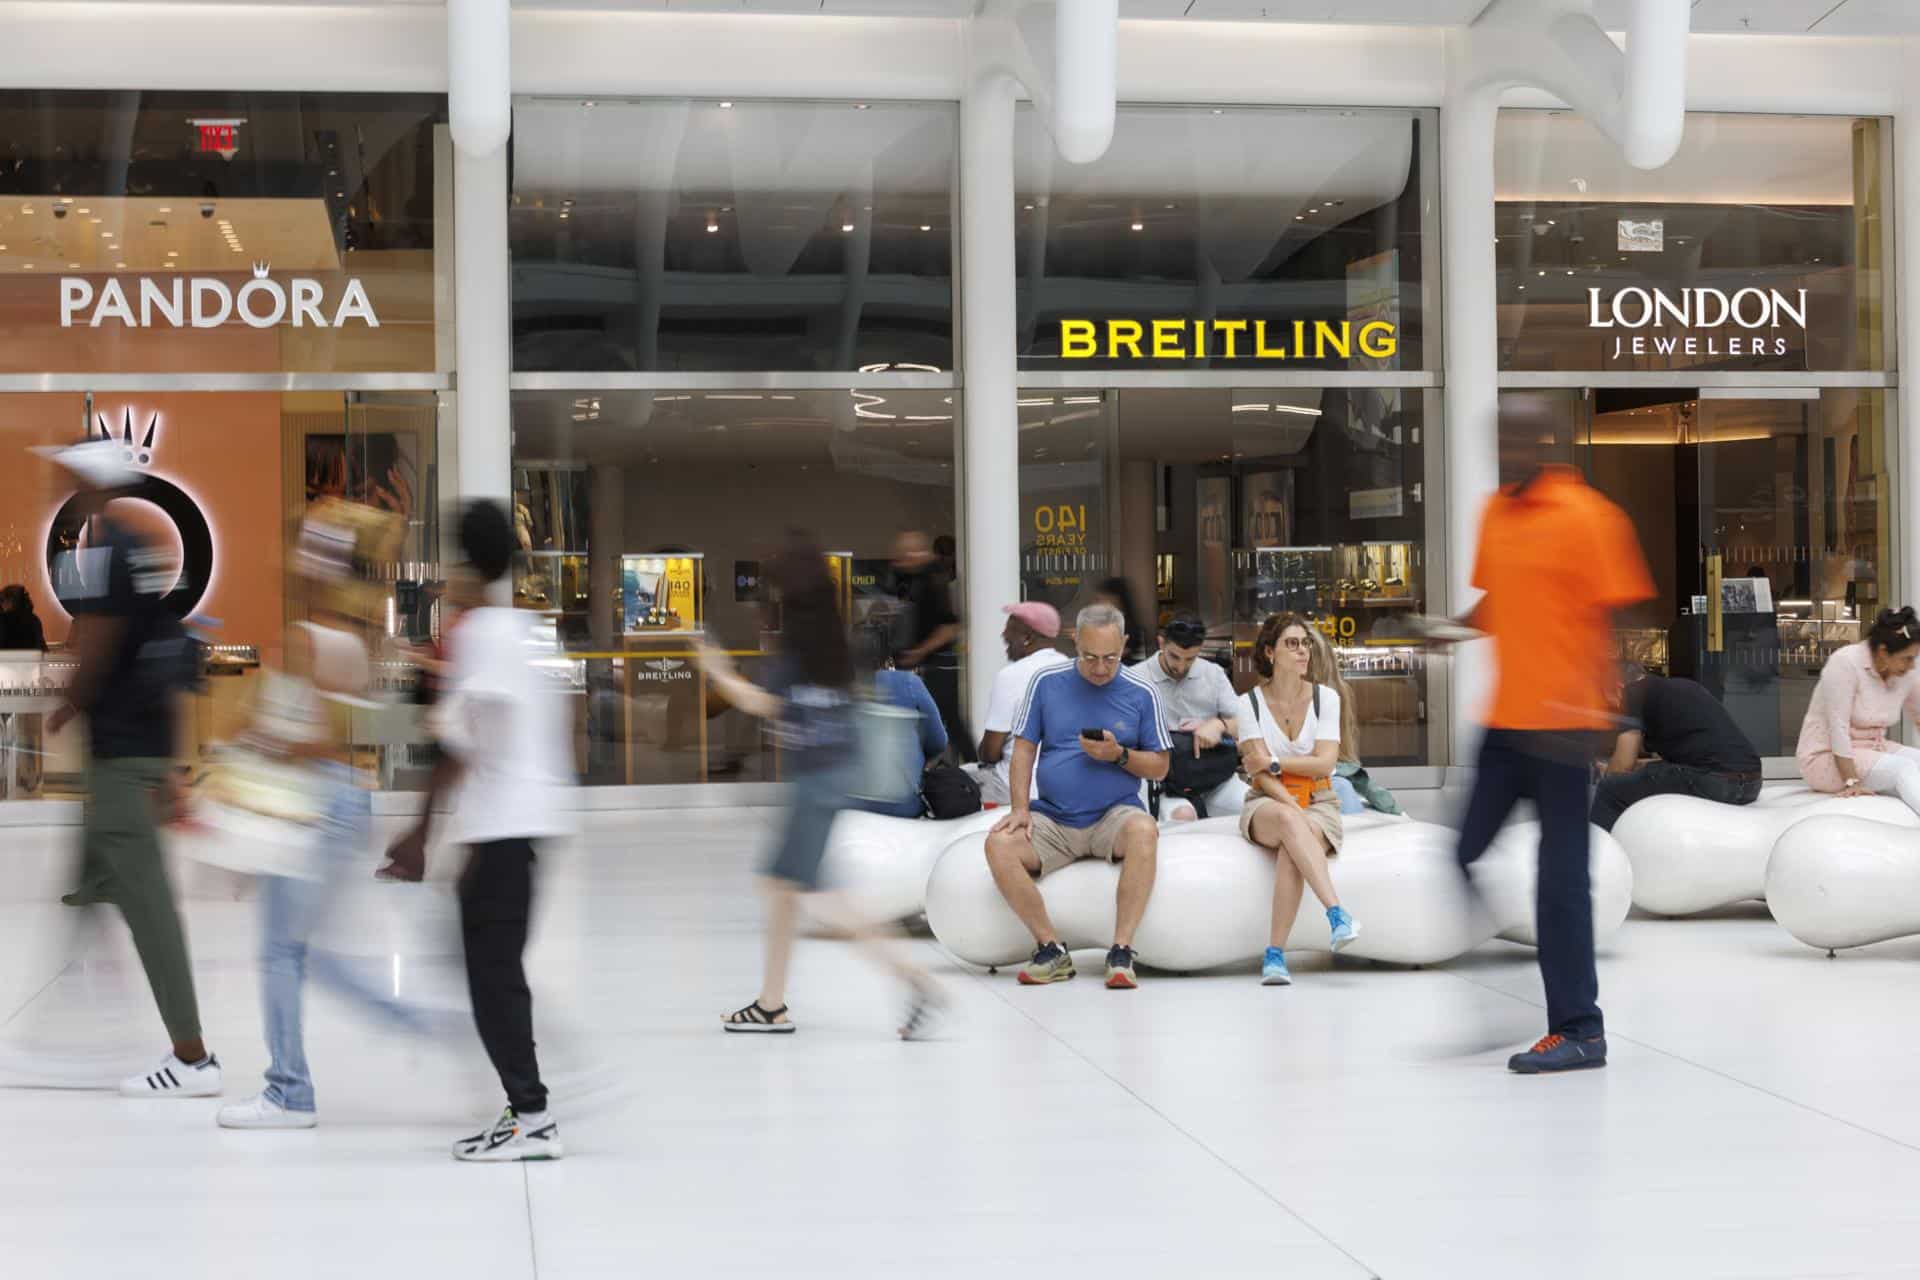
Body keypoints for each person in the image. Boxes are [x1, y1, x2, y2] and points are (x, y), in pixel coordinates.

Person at [216, 500, 444, 1130]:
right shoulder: (356, 641)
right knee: (308, 953)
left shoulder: (300, 639)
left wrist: (249, 753)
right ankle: (416, 1022)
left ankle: (289, 1091)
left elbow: (310, 738)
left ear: (313, 567)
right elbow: (334, 734)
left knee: (284, 953)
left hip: (310, 803)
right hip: (346, 799)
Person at [1449, 402, 1654, 1074]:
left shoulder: (1589, 516)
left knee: (1559, 886)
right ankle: (1511, 985)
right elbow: (1500, 600)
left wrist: (1605, 710)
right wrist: (1447, 629)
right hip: (1506, 725)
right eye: (1496, 437)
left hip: (1565, 729)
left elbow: (1623, 615)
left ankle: (1579, 1029)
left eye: (1514, 437)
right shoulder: (1495, 514)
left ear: (1542, 439)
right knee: (1464, 850)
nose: (1505, 449)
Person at [696, 533, 945, 1038]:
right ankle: (772, 1002)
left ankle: (913, 979)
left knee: (814, 895)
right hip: (834, 777)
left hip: (812, 785)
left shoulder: (793, 655)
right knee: (789, 889)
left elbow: (758, 704)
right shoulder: (839, 649)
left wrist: (714, 666)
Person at [31, 438, 221, 1097]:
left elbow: (104, 641)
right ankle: (68, 1035)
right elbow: (154, 644)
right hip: (133, 749)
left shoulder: (108, 547)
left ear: (92, 482)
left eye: (69, 473)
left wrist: (67, 705)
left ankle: (192, 1058)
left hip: (119, 757)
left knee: (146, 903)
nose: (58, 481)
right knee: (86, 891)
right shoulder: (136, 546)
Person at [434, 499, 575, 1162]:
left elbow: (462, 735)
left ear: (465, 560)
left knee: (492, 975)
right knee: (496, 968)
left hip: (502, 825)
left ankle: (532, 1113)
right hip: (534, 820)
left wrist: (421, 833)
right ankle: (528, 1106)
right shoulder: (530, 629)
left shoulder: (480, 632)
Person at [982, 603, 1170, 989]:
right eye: (1090, 657)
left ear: (1125, 645)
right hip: (1053, 816)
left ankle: (1121, 951)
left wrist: (1118, 756)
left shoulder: (1142, 692)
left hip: (1113, 816)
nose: (1100, 668)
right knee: (999, 845)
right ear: (1074, 643)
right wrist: (1019, 809)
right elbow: (1023, 749)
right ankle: (1050, 948)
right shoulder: (1045, 682)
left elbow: (1161, 767)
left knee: (1144, 830)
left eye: (1110, 658)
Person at [1233, 614, 1360, 986]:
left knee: (1293, 847)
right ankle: (1337, 913)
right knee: (1291, 824)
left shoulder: (1326, 698)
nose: (1302, 650)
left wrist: (1274, 761)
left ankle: (1275, 955)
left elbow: (1325, 762)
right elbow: (1257, 776)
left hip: (1320, 800)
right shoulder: (1249, 703)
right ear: (1270, 652)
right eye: (1292, 643)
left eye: (1305, 643)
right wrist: (1288, 801)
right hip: (1267, 802)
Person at [1589, 668, 1761, 831]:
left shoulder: (1633, 691)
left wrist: (1608, 773)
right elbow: (1680, 761)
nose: (1610, 707)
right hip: (1750, 784)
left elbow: (1622, 767)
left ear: (1618, 685)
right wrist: (1636, 766)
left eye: (1607, 697)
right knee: (1650, 774)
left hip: (1714, 782)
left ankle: (1599, 855)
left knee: (1609, 789)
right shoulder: (1683, 688)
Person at [1797, 607, 1920, 812]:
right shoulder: (1845, 662)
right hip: (1827, 758)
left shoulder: (1904, 672)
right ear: (1883, 652)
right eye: (1907, 658)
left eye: (1914, 659)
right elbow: (1837, 727)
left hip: (1874, 749)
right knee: (1903, 768)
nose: (1911, 666)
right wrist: (1851, 781)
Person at [1131, 612, 1243, 819]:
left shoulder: (1213, 673)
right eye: (1174, 656)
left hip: (1213, 774)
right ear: (1161, 643)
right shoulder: (1136, 679)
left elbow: (1246, 724)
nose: (1181, 667)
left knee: (1251, 807)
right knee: (1182, 816)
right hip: (1164, 782)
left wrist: (1218, 725)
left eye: (1190, 659)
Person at [966, 601, 1071, 806]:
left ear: (1027, 638)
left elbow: (990, 753)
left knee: (946, 784)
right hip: (1061, 787)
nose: (1004, 635)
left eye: (1010, 630)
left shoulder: (1011, 676)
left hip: (1013, 788)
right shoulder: (1071, 668)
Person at [849, 625, 947, 818]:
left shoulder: (839, 689)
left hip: (850, 804)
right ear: (887, 657)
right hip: (904, 805)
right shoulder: (909, 683)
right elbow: (938, 741)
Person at [891, 530, 972, 762]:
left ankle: (975, 767)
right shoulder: (917, 579)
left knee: (948, 719)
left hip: (939, 664)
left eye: (905, 555)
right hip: (927, 664)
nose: (901, 561)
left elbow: (950, 626)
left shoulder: (935, 580)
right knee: (932, 719)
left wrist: (920, 651)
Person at [1092, 576, 1150, 664]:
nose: (1097, 604)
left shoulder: (1129, 627)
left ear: (1115, 599)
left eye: (1101, 599)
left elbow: (1112, 655)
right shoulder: (1109, 622)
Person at [0, 584, 46, 651]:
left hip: (7, 660)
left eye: (2, 601)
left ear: (10, 601)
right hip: (31, 660)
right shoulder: (34, 619)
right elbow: (41, 647)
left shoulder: (3, 620)